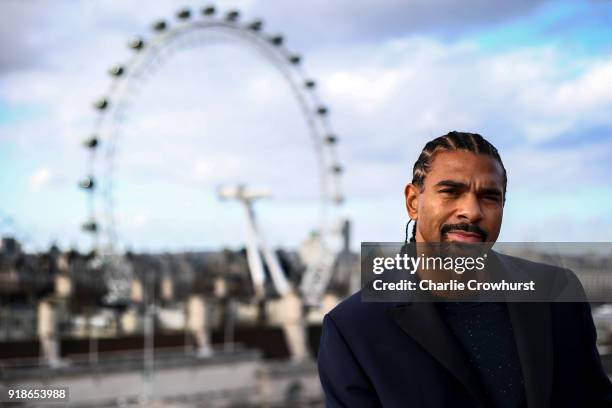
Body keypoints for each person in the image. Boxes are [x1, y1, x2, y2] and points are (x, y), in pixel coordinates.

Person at [317, 131, 612, 407]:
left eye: (489, 197)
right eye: (451, 192)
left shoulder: (555, 292)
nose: (472, 211)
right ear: (412, 202)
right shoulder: (353, 329)